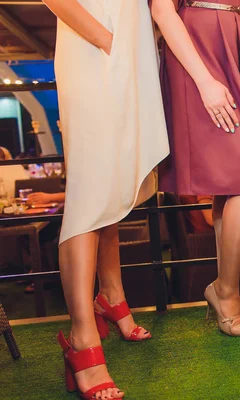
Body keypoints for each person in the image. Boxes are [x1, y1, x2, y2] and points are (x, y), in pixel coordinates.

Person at [43, 0, 169, 398]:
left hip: (124, 47)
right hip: (94, 45)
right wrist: (108, 41)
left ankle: (111, 294)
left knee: (112, 177)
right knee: (91, 187)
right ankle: (83, 339)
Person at [150, 0, 240, 337]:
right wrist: (204, 81)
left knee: (233, 180)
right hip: (198, 45)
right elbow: (162, 10)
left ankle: (227, 291)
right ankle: (226, 293)